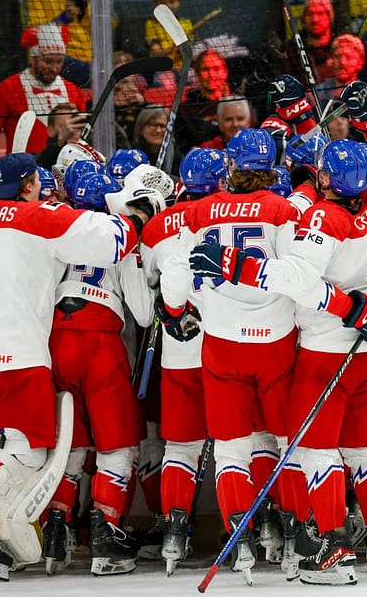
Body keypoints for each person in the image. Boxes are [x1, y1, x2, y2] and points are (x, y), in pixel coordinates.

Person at [0, 152, 162, 580]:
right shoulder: (40, 216)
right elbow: (115, 240)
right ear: (28, 186)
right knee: (25, 450)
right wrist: (137, 212)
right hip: (16, 356)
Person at [188, 82, 367, 585]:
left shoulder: (321, 217)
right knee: (366, 445)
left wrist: (230, 263)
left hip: (330, 346)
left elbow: (297, 281)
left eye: (324, 172)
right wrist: (366, 119)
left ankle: (331, 548)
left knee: (316, 451)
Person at [157, 128, 300, 585]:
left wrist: (175, 309)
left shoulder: (198, 212)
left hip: (220, 345)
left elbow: (174, 279)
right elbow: (301, 275)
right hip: (277, 342)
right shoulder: (284, 208)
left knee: (231, 448)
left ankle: (240, 537)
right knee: (285, 442)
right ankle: (295, 532)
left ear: (232, 166)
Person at [42, 169, 158, 576]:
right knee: (118, 445)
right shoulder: (118, 233)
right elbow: (143, 313)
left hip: (55, 340)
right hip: (100, 343)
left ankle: (56, 529)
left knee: (69, 445)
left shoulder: (56, 227)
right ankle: (107, 535)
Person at [138, 147, 225, 574]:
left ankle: (174, 530)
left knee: (181, 446)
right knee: (244, 443)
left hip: (179, 350)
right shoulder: (229, 212)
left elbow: (151, 285)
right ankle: (262, 527)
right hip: (232, 342)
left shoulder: (155, 227)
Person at [0, 24, 87, 194]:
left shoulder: (73, 90)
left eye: (59, 61)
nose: (54, 68)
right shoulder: (6, 89)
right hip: (23, 182)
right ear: (33, 58)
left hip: (66, 181)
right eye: (48, 61)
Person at [177, 49, 231, 150]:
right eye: (205, 69)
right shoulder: (186, 109)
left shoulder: (237, 104)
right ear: (197, 73)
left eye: (216, 69)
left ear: (225, 72)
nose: (211, 75)